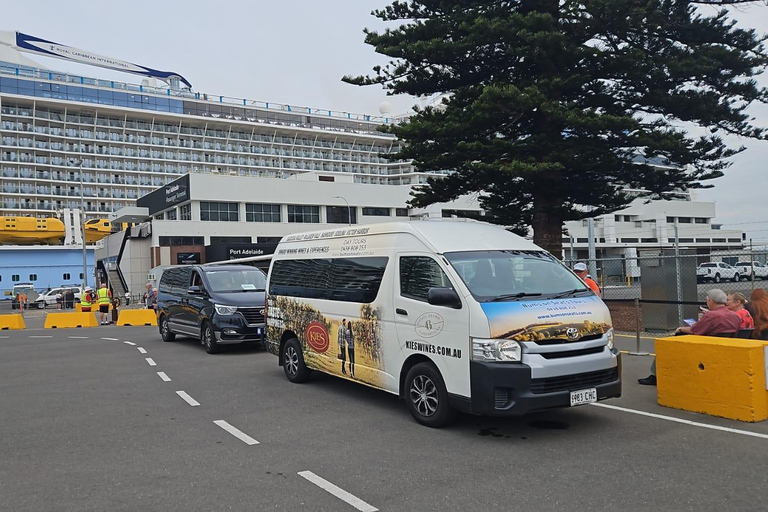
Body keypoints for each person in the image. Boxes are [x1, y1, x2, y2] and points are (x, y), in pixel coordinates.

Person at [638, 288, 740, 385]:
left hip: (706, 347)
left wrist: (681, 328)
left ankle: (655, 376)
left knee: (666, 347)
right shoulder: (734, 316)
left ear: (711, 301)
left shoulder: (711, 316)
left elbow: (694, 330)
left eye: (707, 301)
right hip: (726, 347)